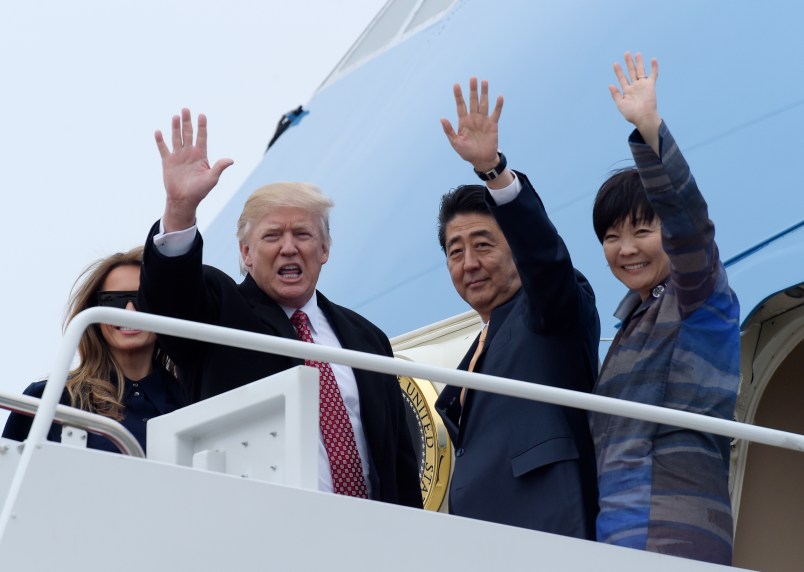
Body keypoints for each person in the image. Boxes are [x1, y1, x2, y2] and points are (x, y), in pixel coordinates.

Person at [138, 109, 421, 508]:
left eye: (303, 234)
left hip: (370, 536)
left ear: (324, 249)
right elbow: (169, 300)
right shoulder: (221, 309)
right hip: (262, 527)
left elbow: (399, 463)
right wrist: (180, 210)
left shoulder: (367, 338)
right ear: (246, 252)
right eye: (273, 235)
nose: (289, 247)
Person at [589, 53, 739, 564]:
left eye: (641, 231)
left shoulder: (698, 296)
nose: (625, 248)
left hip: (677, 534)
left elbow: (688, 221)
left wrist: (650, 131)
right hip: (616, 533)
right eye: (611, 237)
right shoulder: (630, 321)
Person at [434, 78, 600, 537]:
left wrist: (494, 173)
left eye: (483, 244)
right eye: (455, 251)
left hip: (555, 533)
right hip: (487, 543)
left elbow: (545, 258)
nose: (470, 263)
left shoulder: (548, 309)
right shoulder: (475, 349)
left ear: (515, 250)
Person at [2, 247, 185, 453]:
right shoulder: (50, 397)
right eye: (113, 301)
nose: (129, 312)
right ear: (95, 314)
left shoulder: (192, 402)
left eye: (142, 299)